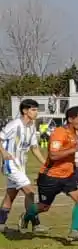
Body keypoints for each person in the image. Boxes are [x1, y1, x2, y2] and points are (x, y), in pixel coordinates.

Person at [35, 107, 78, 241]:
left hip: (68, 175)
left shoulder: (73, 132)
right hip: (51, 176)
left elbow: (74, 144)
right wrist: (74, 149)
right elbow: (53, 155)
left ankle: (74, 231)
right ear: (70, 119)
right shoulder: (59, 133)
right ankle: (27, 215)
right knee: (43, 207)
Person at [2, 99, 46, 232]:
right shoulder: (15, 124)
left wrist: (46, 164)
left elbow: (34, 148)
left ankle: (0, 223)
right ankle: (33, 222)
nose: (36, 112)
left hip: (21, 166)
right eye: (33, 109)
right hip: (11, 165)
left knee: (11, 194)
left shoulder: (32, 127)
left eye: (36, 109)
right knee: (30, 191)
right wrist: (4, 153)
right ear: (25, 111)